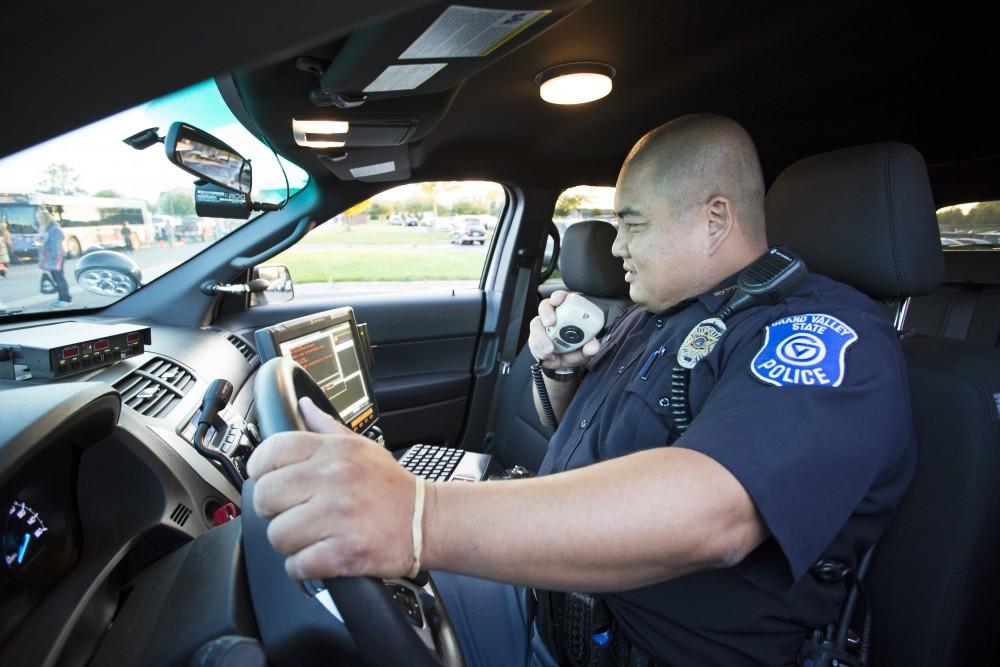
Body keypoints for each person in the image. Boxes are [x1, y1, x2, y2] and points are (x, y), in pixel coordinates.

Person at [246, 114, 916, 665]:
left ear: (714, 219)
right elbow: (595, 444)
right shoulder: (655, 318)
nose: (614, 244)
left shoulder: (827, 341)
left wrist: (417, 516)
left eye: (633, 223)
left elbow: (718, 514)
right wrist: (562, 373)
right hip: (553, 606)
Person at [38, 210, 72, 307]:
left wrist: (56, 262)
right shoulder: (47, 229)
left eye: (40, 218)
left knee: (59, 278)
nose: (38, 220)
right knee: (56, 279)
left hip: (57, 258)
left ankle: (66, 299)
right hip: (50, 258)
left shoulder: (54, 229)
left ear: (46, 218)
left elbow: (56, 247)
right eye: (38, 218)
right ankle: (61, 298)